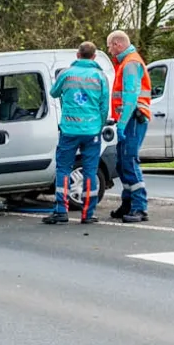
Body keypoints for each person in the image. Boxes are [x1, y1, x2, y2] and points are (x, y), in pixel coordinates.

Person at [43, 42, 110, 225]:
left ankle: (61, 211)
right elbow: (104, 107)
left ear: (77, 55)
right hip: (92, 130)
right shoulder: (101, 77)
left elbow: (53, 92)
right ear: (94, 57)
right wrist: (99, 125)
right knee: (90, 170)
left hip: (69, 129)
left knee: (64, 169)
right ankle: (88, 214)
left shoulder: (66, 73)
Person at [107, 30, 152, 223]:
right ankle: (128, 203)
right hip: (130, 119)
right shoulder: (127, 62)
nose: (109, 50)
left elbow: (131, 97)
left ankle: (139, 207)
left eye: (109, 46)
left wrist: (122, 124)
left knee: (129, 161)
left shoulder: (130, 63)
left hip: (134, 118)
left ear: (117, 44)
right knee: (122, 162)